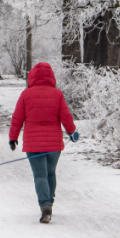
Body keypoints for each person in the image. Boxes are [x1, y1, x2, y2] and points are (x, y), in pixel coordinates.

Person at [9, 62, 79, 224]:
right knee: (50, 173)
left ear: (32, 77)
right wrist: (72, 132)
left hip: (33, 144)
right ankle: (50, 202)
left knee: (40, 174)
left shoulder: (26, 94)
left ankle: (45, 205)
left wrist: (13, 138)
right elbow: (66, 117)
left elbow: (17, 119)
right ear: (51, 77)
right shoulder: (57, 94)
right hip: (54, 144)